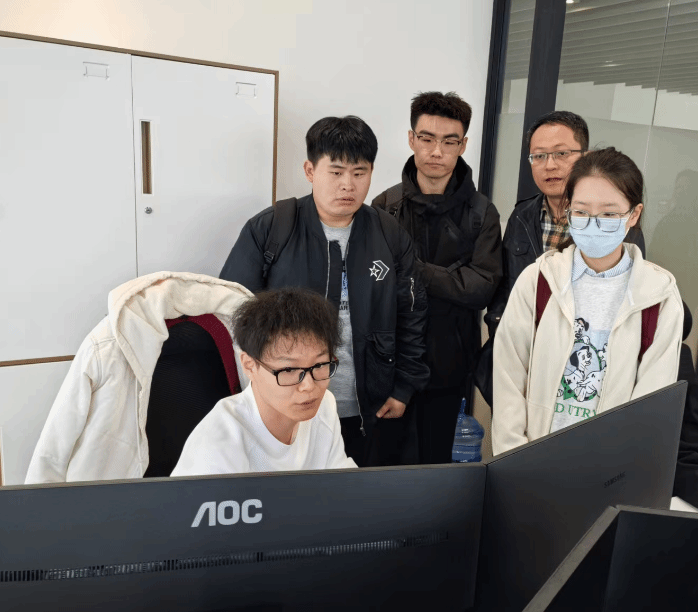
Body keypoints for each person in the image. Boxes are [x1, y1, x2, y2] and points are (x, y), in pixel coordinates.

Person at [219, 116, 429, 467]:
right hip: (285, 406)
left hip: (368, 408)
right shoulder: (272, 228)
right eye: (336, 172)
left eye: (359, 173)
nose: (348, 185)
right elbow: (232, 315)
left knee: (357, 494)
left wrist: (403, 387)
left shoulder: (389, 233)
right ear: (310, 170)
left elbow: (412, 314)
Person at [491, 147, 682, 455]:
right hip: (532, 459)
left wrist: (619, 471)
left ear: (634, 214)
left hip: (609, 465)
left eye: (609, 214)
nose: (594, 223)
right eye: (581, 212)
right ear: (568, 210)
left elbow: (650, 405)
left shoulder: (658, 295)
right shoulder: (539, 280)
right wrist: (513, 458)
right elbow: (508, 377)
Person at [480, 111, 646, 408]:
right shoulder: (522, 215)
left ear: (586, 156)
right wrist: (503, 337)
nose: (550, 165)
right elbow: (505, 289)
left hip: (578, 370)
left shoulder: (610, 224)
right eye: (539, 156)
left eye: (561, 153)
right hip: (522, 363)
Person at [372, 91, 502, 464]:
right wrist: (452, 278)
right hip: (390, 364)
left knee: (435, 467)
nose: (436, 151)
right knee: (383, 465)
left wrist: (412, 269)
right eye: (427, 139)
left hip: (450, 365)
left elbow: (481, 288)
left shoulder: (482, 213)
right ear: (411, 139)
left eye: (449, 141)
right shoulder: (385, 207)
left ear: (463, 146)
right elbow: (375, 285)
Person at [172, 288, 357, 476]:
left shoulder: (324, 405)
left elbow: (345, 485)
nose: (309, 386)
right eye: (289, 370)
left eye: (320, 365)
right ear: (250, 366)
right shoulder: (219, 442)